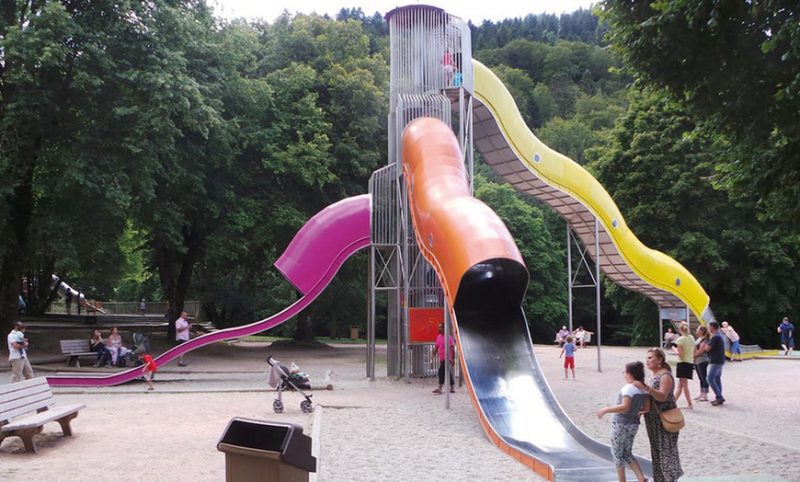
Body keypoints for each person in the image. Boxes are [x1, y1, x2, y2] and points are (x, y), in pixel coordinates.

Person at [633, 347, 683, 481]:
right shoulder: (653, 375)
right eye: (647, 358)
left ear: (659, 360)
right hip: (653, 419)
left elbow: (663, 397)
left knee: (667, 453)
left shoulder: (665, 375)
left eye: (650, 358)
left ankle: (670, 479)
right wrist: (642, 410)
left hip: (665, 419)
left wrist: (646, 387)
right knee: (656, 452)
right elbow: (649, 398)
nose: (647, 360)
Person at [596, 361, 650, 482]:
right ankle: (641, 478)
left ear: (630, 375)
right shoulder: (644, 390)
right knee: (627, 452)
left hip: (621, 424)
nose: (624, 374)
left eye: (625, 372)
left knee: (617, 455)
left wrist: (605, 409)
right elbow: (646, 409)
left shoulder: (629, 388)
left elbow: (624, 406)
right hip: (633, 425)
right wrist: (636, 411)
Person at [672, 322, 695, 410]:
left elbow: (680, 354)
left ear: (680, 329)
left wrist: (674, 349)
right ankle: (673, 402)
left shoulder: (680, 340)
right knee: (681, 384)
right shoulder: (691, 338)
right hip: (689, 362)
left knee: (683, 385)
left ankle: (689, 404)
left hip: (683, 363)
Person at [704, 321, 726, 406]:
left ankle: (719, 396)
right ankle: (718, 397)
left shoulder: (715, 337)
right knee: (717, 379)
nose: (708, 328)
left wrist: (706, 346)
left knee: (709, 379)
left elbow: (707, 348)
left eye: (709, 327)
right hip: (720, 360)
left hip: (716, 361)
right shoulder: (718, 336)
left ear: (712, 327)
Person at [432, 323, 455, 394]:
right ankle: (452, 387)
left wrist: (453, 359)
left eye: (440, 327)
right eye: (438, 327)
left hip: (448, 358)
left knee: (441, 371)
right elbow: (436, 347)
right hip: (442, 358)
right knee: (447, 373)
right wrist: (433, 354)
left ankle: (440, 388)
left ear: (444, 328)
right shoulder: (438, 337)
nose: (439, 329)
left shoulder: (449, 338)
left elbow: (452, 348)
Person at [692, 325, 710, 402]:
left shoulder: (705, 340)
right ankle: (701, 393)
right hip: (697, 360)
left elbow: (700, 351)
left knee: (703, 377)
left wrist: (692, 356)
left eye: (698, 330)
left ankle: (705, 395)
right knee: (700, 378)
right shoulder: (699, 339)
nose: (696, 331)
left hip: (702, 360)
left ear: (702, 331)